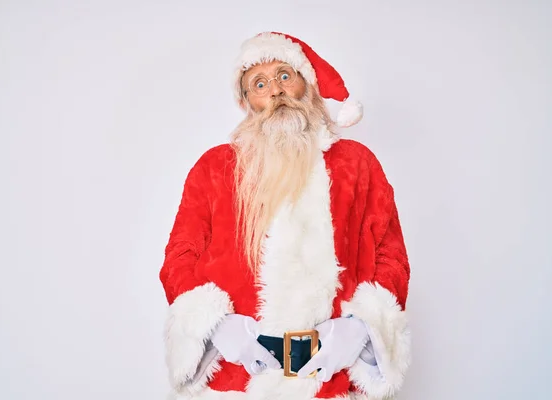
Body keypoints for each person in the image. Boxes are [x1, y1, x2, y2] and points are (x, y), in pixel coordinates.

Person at [159, 31, 411, 400]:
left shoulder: (358, 164)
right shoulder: (214, 167)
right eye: (259, 84)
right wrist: (218, 328)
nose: (274, 91)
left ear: (306, 84)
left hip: (332, 383)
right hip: (235, 383)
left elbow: (392, 256)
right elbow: (179, 257)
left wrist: (359, 330)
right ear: (247, 102)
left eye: (284, 76)